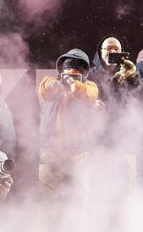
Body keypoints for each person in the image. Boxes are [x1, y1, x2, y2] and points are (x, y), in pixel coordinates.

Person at [37, 49, 103, 194]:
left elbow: (90, 94)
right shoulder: (51, 84)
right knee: (48, 199)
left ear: (83, 74)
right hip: (50, 153)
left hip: (78, 154)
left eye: (75, 74)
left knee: (78, 197)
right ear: (61, 72)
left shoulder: (89, 87)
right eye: (67, 72)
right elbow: (44, 88)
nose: (70, 77)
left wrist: (75, 85)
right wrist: (56, 84)